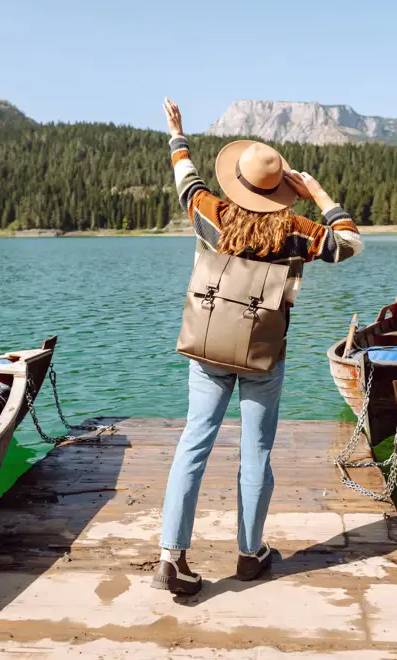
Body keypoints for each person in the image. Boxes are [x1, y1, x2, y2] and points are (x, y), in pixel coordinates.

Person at [153, 98, 363, 595]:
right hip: (263, 356)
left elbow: (186, 178)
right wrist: (315, 192)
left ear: (237, 182)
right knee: (257, 452)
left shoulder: (212, 213)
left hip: (207, 349)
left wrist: (177, 134)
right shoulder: (294, 230)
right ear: (279, 190)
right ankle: (250, 555)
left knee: (193, 443)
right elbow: (350, 242)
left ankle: (171, 558)